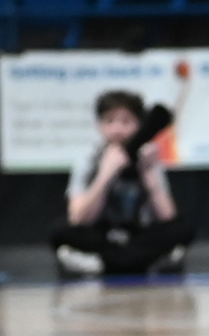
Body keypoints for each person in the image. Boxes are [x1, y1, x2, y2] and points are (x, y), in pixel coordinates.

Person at [53, 90, 191, 278]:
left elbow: (168, 216)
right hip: (103, 235)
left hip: (138, 235)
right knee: (60, 230)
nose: (117, 129)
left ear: (139, 125)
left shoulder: (148, 158)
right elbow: (79, 219)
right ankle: (144, 262)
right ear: (99, 125)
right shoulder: (88, 160)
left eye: (126, 122)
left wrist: (148, 173)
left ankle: (104, 264)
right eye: (109, 121)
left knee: (183, 228)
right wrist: (105, 174)